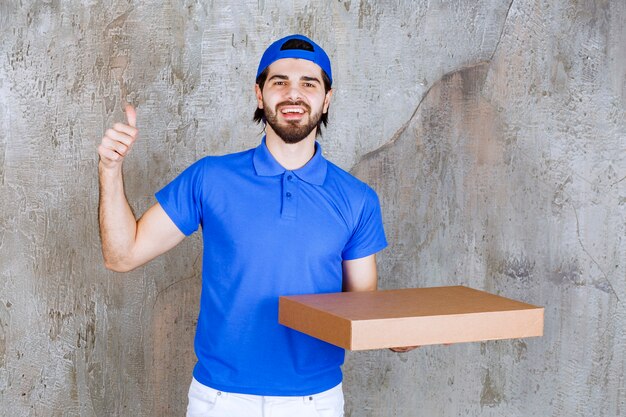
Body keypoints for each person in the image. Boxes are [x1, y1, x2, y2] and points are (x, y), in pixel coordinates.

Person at [97, 34, 389, 417]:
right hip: (219, 400)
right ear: (259, 93)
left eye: (309, 83)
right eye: (279, 82)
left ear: (327, 98)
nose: (293, 94)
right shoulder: (211, 178)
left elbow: (360, 307)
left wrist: (398, 335)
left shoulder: (358, 199)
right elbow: (122, 255)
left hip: (314, 402)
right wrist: (110, 169)